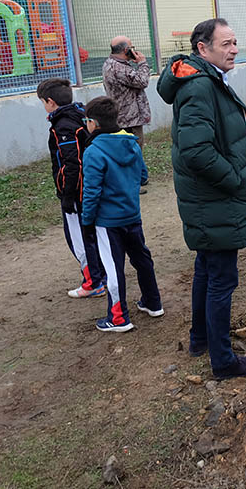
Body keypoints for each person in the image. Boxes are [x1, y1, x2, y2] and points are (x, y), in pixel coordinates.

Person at [157, 18, 246, 379]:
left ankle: (200, 338)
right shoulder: (200, 87)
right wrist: (234, 180)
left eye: (236, 42)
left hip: (210, 202)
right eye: (226, 44)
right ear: (202, 49)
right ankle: (223, 360)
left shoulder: (206, 79)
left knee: (207, 268)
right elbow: (196, 151)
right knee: (221, 278)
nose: (235, 49)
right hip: (214, 201)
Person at [80, 97, 162, 333]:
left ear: (93, 123)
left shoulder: (93, 151)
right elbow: (143, 174)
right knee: (142, 259)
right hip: (132, 215)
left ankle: (118, 318)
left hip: (107, 222)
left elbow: (91, 191)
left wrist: (87, 222)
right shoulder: (132, 143)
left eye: (86, 121)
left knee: (113, 267)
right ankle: (153, 302)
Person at [37, 78, 107, 299]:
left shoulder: (63, 126)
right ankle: (101, 276)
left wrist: (67, 196)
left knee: (79, 238)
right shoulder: (82, 115)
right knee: (93, 235)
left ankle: (93, 282)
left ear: (50, 102)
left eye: (42, 102)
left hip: (78, 194)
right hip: (92, 189)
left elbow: (72, 164)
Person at [102, 35, 151, 194]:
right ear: (125, 50)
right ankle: (132, 184)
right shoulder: (120, 68)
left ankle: (140, 177)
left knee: (130, 150)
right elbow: (142, 81)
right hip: (129, 117)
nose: (134, 50)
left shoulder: (111, 64)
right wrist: (142, 63)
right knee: (133, 151)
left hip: (123, 115)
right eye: (132, 47)